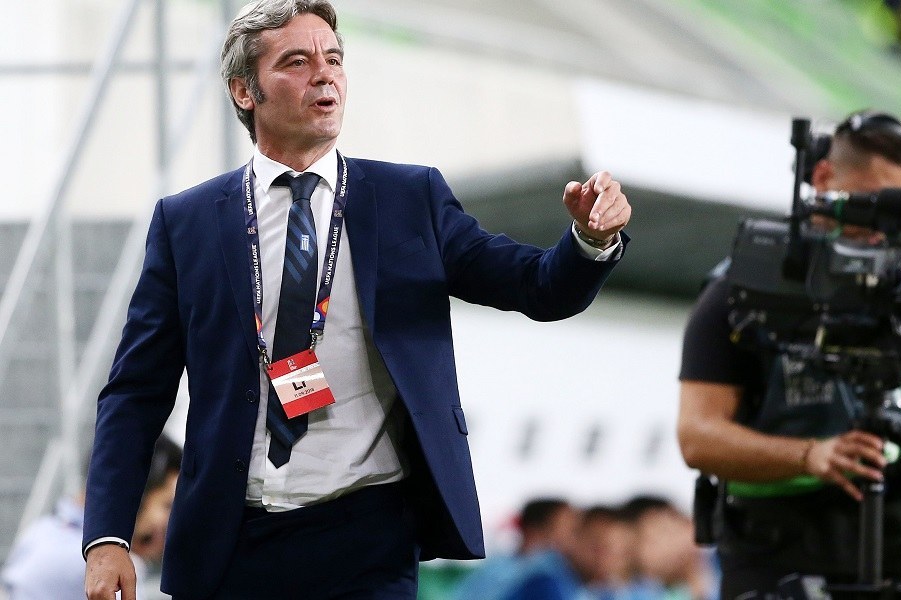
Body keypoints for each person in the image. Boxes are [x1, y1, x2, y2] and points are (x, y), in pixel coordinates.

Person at [82, 1, 631, 599]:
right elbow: (136, 390)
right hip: (231, 538)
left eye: (334, 58)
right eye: (297, 62)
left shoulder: (409, 199)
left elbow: (537, 286)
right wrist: (107, 536)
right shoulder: (187, 222)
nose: (325, 74)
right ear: (244, 91)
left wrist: (589, 240)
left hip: (369, 534)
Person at [677, 109, 901, 598]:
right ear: (824, 177)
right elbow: (697, 437)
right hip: (777, 560)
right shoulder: (745, 288)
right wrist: (810, 456)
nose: (882, 227)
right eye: (874, 202)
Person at [2, 435, 180, 600]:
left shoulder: (44, 530)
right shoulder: (99, 561)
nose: (170, 520)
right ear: (135, 494)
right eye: (167, 505)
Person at [451, 498, 581, 600]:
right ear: (534, 529)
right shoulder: (499, 565)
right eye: (569, 528)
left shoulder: (562, 573)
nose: (574, 536)